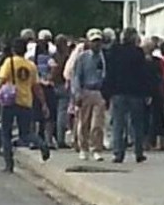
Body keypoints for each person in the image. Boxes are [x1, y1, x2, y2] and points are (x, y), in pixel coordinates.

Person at [0, 38, 50, 173]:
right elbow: (37, 87)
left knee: (6, 133)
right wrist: (44, 103)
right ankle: (42, 144)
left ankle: (9, 165)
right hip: (26, 101)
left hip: (9, 101)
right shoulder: (31, 66)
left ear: (13, 50)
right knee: (26, 133)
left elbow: (1, 81)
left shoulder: (8, 63)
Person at [105, 28, 149, 164]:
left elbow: (110, 72)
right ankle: (138, 152)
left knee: (118, 123)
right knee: (137, 124)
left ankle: (118, 153)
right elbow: (143, 74)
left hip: (118, 92)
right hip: (136, 93)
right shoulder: (138, 53)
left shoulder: (114, 51)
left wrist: (108, 92)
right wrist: (146, 92)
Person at [71, 29, 107, 162]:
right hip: (86, 90)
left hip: (99, 91)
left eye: (98, 42)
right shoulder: (82, 57)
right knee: (84, 122)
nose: (96, 45)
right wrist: (77, 93)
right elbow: (76, 76)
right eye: (94, 42)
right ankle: (83, 148)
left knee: (97, 123)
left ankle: (96, 148)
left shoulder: (104, 57)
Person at [142, 41, 164, 150]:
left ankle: (147, 142)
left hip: (149, 92)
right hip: (158, 92)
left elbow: (147, 79)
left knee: (146, 118)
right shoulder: (158, 62)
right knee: (157, 117)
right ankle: (157, 142)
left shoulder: (144, 62)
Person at [52, 35, 71, 149]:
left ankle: (51, 138)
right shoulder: (67, 57)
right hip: (63, 85)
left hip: (53, 85)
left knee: (53, 114)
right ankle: (60, 139)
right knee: (62, 113)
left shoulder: (54, 56)